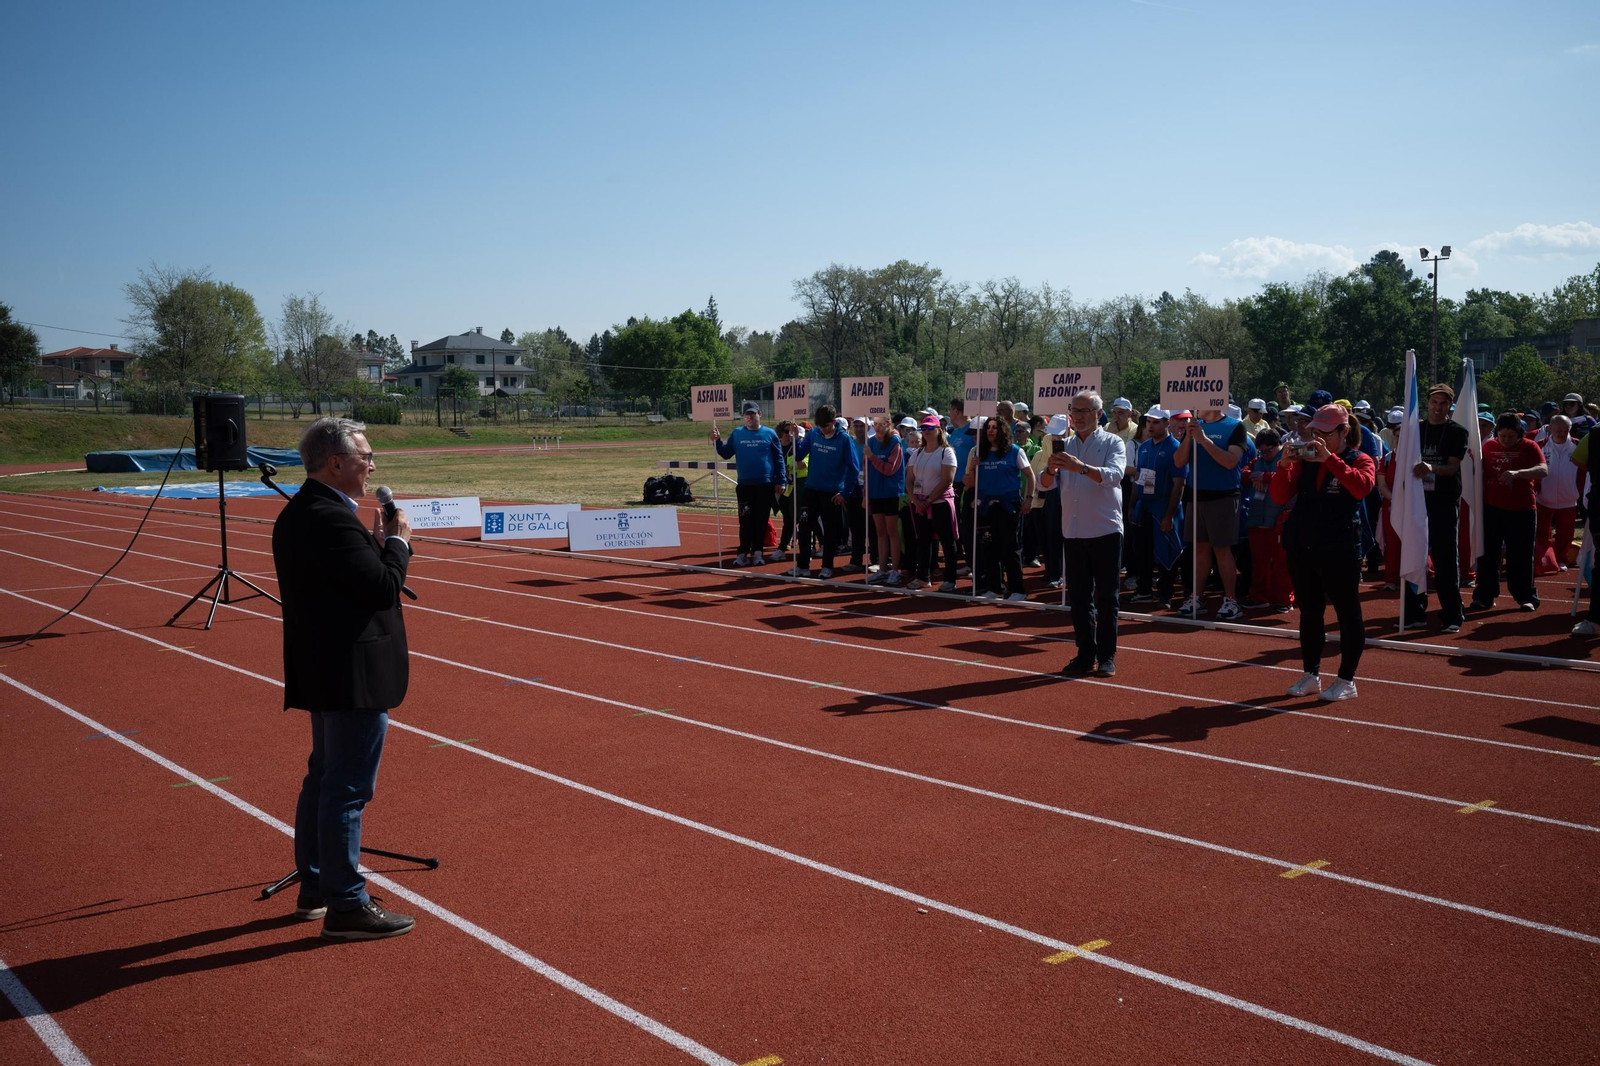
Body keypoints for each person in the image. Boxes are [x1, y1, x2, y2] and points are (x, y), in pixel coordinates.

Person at [273, 416, 416, 940]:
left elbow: (347, 586)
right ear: (336, 463)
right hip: (349, 675)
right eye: (365, 456)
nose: (373, 464)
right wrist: (399, 545)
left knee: (324, 778)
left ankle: (316, 886)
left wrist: (377, 549)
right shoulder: (330, 519)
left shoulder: (304, 512)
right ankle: (346, 904)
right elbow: (381, 590)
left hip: (324, 668)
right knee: (347, 788)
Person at [1271, 404, 1376, 701]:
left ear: (1343, 432)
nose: (1317, 437)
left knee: (1347, 614)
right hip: (1303, 545)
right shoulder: (1306, 460)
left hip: (1340, 548)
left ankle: (1346, 679)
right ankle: (1311, 674)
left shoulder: (1361, 459)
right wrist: (1284, 464)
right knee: (1310, 612)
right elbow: (1279, 496)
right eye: (1314, 431)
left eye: (1325, 433)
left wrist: (1330, 460)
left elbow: (1361, 488)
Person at [1041, 391, 1127, 676]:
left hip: (1105, 529)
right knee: (1079, 598)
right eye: (1074, 410)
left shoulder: (1113, 442)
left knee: (1107, 597)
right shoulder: (1061, 444)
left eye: (1084, 410)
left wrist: (1081, 468)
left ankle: (1107, 656)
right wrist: (1051, 469)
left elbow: (1115, 476)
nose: (1077, 416)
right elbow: (1043, 485)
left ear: (1098, 414)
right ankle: (1084, 653)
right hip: (1074, 531)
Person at [1403, 383, 1469, 633]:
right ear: (1427, 403)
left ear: (1449, 406)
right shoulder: (1415, 430)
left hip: (1443, 502)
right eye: (1434, 402)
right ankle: (1414, 612)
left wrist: (1432, 469)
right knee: (1415, 557)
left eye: (1443, 403)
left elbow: (1452, 468)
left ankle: (1452, 614)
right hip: (1417, 502)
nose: (1437, 408)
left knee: (1444, 560)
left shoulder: (1457, 432)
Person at [1172, 403, 1248, 620]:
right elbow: (1179, 461)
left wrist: (1204, 440)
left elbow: (1230, 461)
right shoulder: (1193, 427)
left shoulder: (1235, 427)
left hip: (1223, 496)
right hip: (1196, 495)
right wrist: (1190, 436)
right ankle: (1197, 597)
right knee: (1199, 550)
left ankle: (1231, 600)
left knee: (1222, 550)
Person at [1470, 412, 1548, 613]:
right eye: (1502, 436)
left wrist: (1518, 474)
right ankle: (1484, 597)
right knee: (1488, 556)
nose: (1506, 440)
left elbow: (1543, 470)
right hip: (1492, 509)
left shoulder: (1530, 447)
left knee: (1520, 555)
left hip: (1522, 510)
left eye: (1510, 437)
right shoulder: (1488, 446)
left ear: (1519, 434)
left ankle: (1526, 596)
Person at [965, 416, 1034, 601]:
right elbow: (969, 483)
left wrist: (1029, 499)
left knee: (1010, 549)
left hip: (1009, 506)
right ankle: (995, 588)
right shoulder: (980, 453)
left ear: (1002, 430)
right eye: (988, 427)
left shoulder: (1014, 451)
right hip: (986, 507)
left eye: (994, 427)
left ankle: (1018, 590)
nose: (990, 431)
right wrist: (973, 467)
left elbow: (1030, 475)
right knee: (989, 549)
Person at [712, 400, 786, 566]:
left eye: (753, 414)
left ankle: (758, 552)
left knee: (761, 520)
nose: (750, 417)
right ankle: (743, 553)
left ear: (759, 414)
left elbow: (778, 458)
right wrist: (717, 441)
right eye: (747, 415)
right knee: (745, 521)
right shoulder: (737, 433)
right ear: (744, 417)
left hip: (765, 485)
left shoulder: (770, 434)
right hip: (745, 485)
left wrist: (780, 480)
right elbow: (726, 453)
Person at [792, 404, 860, 579]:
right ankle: (803, 565)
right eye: (820, 426)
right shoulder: (814, 433)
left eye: (827, 427)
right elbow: (799, 455)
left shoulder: (845, 439)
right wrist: (795, 440)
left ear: (834, 422)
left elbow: (854, 468)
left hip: (832, 493)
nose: (823, 430)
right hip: (811, 489)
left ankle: (827, 566)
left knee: (830, 531)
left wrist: (845, 493)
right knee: (805, 527)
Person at [1130, 406, 1185, 610]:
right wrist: (1132, 505)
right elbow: (1139, 477)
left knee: (1167, 551)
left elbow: (1179, 484)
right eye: (1148, 422)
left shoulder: (1175, 448)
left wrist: (1169, 515)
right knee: (1141, 551)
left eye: (1156, 422)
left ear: (1167, 423)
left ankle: (1166, 593)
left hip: (1164, 508)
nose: (1150, 426)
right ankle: (1144, 590)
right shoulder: (1143, 447)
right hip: (1144, 507)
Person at [906, 415, 960, 591]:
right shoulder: (917, 453)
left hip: (940, 503)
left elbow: (947, 480)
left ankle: (950, 579)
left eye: (930, 428)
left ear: (939, 430)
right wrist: (915, 501)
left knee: (947, 540)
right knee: (923, 540)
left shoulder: (946, 452)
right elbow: (909, 479)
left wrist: (929, 500)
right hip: (920, 503)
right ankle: (923, 577)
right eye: (924, 429)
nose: (927, 432)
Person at [1241, 428, 1292, 611]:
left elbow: (1287, 478)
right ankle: (1258, 596)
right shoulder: (1258, 461)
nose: (1265, 455)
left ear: (1279, 445)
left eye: (1268, 451)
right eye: (1262, 451)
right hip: (1256, 518)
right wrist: (1256, 475)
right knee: (1259, 560)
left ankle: (1284, 599)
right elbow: (1243, 473)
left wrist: (1265, 477)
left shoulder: (1287, 460)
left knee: (1281, 562)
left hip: (1279, 520)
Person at [1535, 415, 1584, 573]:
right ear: (1550, 429)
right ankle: (1544, 559)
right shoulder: (1540, 446)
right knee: (1542, 531)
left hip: (1569, 499)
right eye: (1558, 431)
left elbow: (1583, 473)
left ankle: (1561, 558)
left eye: (1565, 431)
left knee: (1566, 532)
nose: (1562, 434)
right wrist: (1538, 490)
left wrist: (1577, 491)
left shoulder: (1577, 446)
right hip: (1544, 498)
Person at [864, 415, 906, 585]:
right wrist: (865, 494)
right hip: (875, 492)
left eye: (881, 425)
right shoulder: (871, 442)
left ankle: (895, 570)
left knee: (892, 532)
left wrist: (872, 457)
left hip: (890, 492)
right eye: (875, 425)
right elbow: (866, 471)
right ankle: (882, 569)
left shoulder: (895, 442)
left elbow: (889, 469)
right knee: (880, 532)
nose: (878, 428)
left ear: (888, 425)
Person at [947, 398, 978, 575]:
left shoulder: (971, 430)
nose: (949, 413)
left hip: (968, 484)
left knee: (969, 524)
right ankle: (969, 562)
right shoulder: (956, 433)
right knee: (960, 524)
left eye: (950, 409)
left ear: (957, 410)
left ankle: (975, 563)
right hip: (954, 484)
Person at [774, 420, 805, 560]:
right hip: (781, 487)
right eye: (786, 431)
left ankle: (783, 547)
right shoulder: (776, 447)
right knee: (787, 517)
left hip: (794, 488)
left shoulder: (795, 447)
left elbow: (802, 463)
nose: (788, 434)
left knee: (793, 518)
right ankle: (788, 541)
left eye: (791, 431)